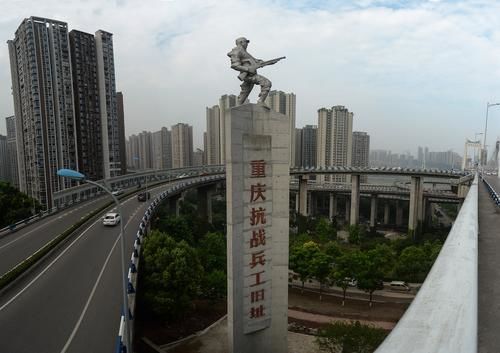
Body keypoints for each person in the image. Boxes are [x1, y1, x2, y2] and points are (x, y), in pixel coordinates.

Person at [227, 37, 273, 105]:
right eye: (246, 42)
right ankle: (261, 102)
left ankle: (238, 106)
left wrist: (261, 62)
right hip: (249, 75)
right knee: (267, 83)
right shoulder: (236, 51)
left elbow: (253, 61)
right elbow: (234, 65)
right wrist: (248, 69)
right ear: (241, 42)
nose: (247, 44)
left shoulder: (244, 52)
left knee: (244, 93)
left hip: (250, 75)